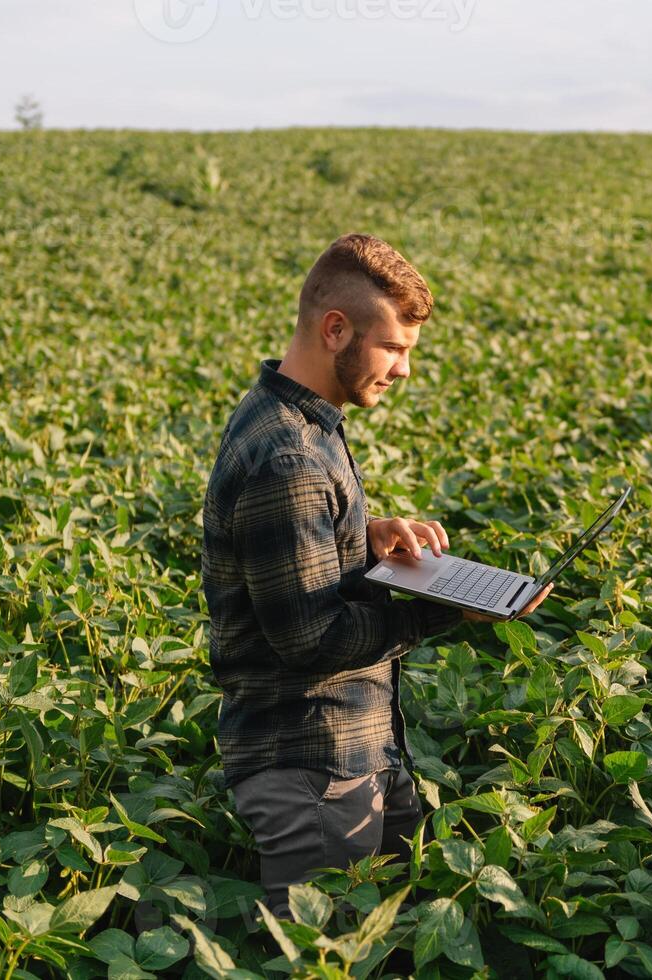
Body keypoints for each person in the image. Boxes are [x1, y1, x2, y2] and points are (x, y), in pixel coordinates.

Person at [201, 232, 552, 922]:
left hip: (353, 752)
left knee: (383, 940)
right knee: (327, 957)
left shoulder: (301, 422)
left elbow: (286, 555)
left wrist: (362, 540)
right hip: (312, 768)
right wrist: (451, 606)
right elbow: (309, 638)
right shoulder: (290, 457)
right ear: (336, 329)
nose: (404, 370)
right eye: (394, 348)